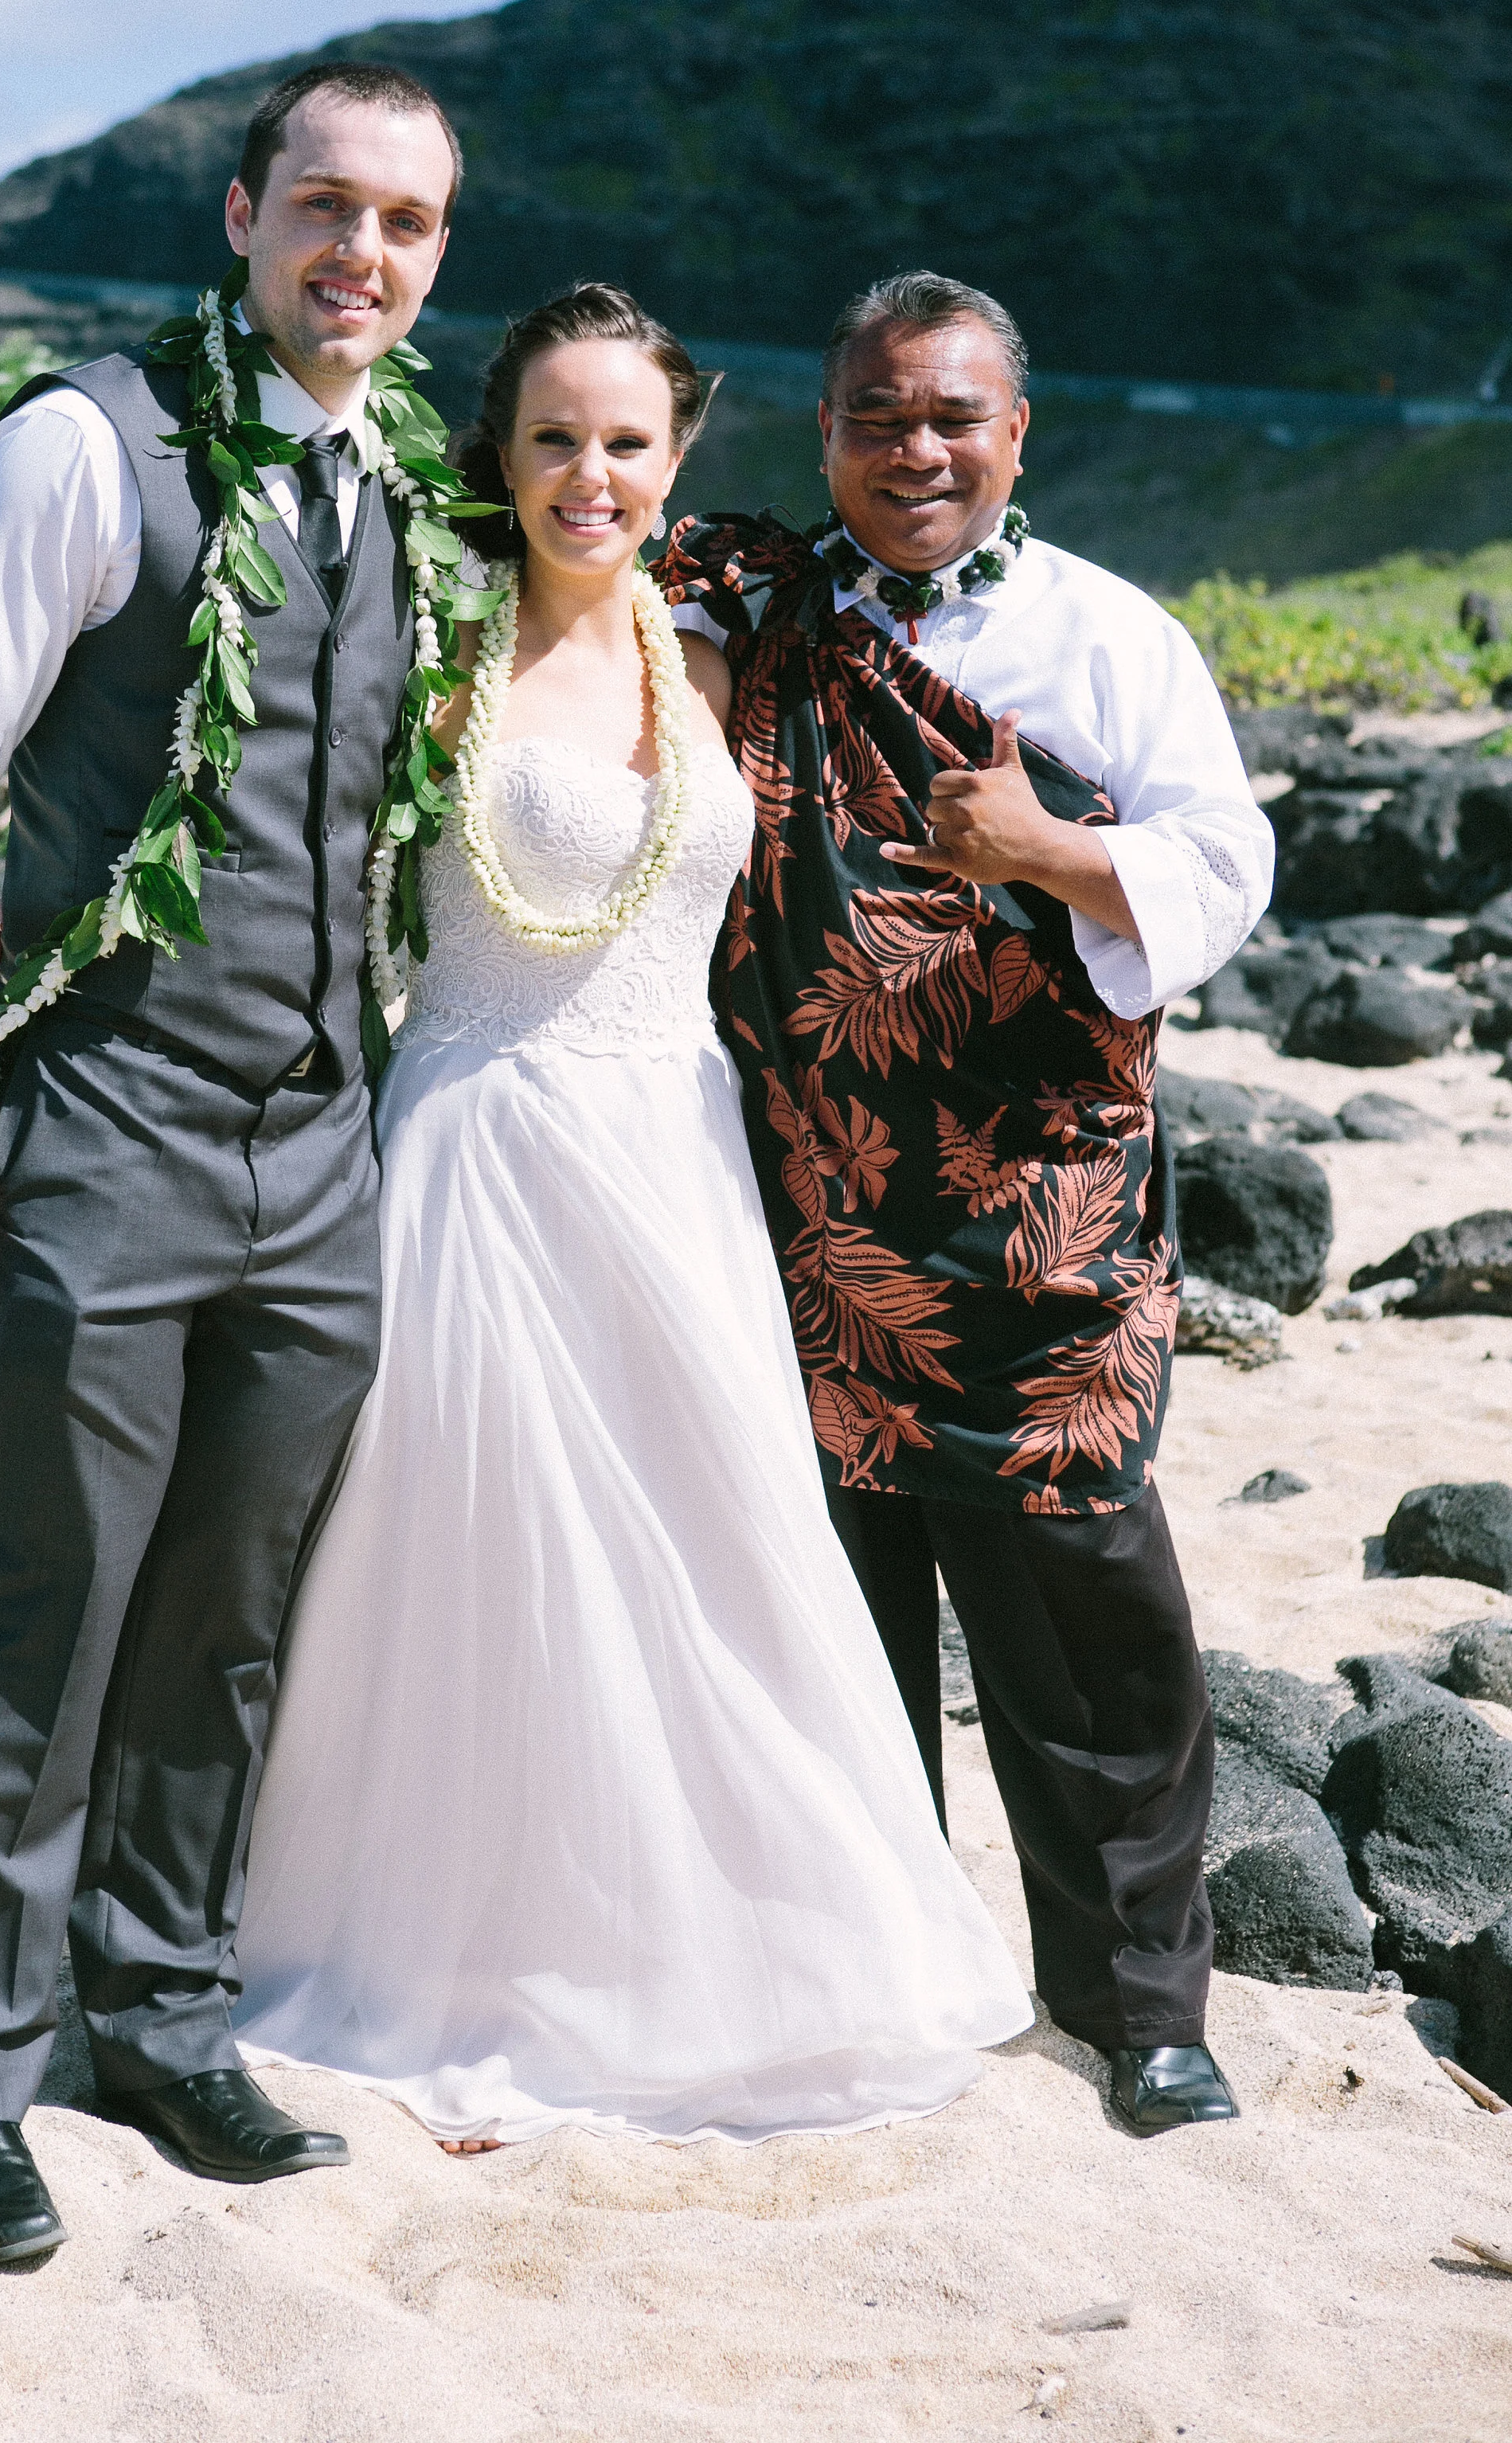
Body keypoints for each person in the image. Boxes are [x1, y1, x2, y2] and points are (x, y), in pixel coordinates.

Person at [229, 283, 1033, 2152]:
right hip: (481, 1142)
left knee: (715, 1558)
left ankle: (729, 1955)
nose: (585, 476)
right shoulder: (431, 654)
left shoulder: (716, 660)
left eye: (622, 442)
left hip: (674, 1158)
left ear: (674, 462)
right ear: (495, 461)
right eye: (548, 440)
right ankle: (461, 1971)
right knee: (482, 1571)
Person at [0, 63, 464, 2263]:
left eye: (403, 223)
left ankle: (165, 2010)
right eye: (324, 205)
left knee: (224, 1613)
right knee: (37, 1594)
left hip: (321, 1141)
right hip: (100, 1115)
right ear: (239, 211)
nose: (359, 253)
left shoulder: (412, 486)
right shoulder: (80, 448)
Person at [660, 270, 1274, 2136]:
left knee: (1084, 1604)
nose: (911, 447)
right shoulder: (747, 613)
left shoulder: (1107, 633)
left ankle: (1138, 2005)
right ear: (822, 428)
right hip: (803, 1200)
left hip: (1039, 1206)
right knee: (826, 1612)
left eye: (949, 415)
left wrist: (1049, 852)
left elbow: (1224, 860)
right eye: (871, 413)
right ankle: (866, 1977)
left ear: (1017, 430)